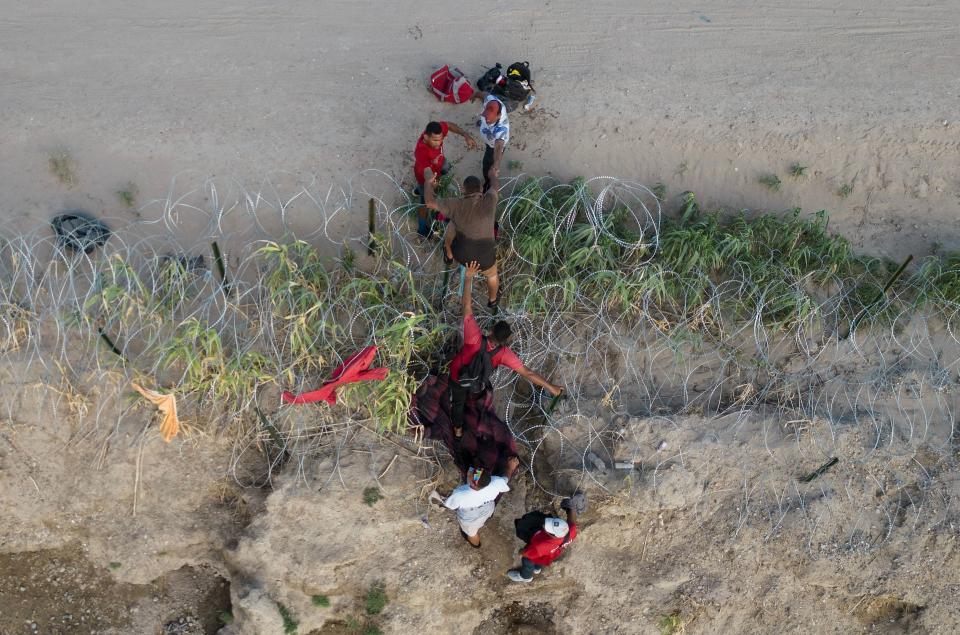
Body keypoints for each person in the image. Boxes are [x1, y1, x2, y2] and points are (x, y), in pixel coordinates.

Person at [449, 261, 563, 439]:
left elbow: (466, 306)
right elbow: (528, 373)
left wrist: (469, 278)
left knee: (457, 403)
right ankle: (474, 420)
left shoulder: (474, 338)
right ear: (505, 341)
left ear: (491, 330)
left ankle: (458, 430)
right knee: (475, 397)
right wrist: (552, 387)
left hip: (457, 375)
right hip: (477, 382)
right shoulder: (504, 354)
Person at [426, 168, 499, 307]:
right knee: (492, 275)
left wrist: (428, 182)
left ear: (463, 191)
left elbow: (429, 202)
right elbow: (495, 186)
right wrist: (493, 175)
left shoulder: (456, 204)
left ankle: (448, 253)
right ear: (482, 189)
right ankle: (492, 300)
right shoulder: (490, 199)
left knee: (453, 221)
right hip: (485, 258)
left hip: (461, 255)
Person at [414, 121, 477, 238]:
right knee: (424, 205)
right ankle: (422, 231)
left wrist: (465, 135)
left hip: (439, 164)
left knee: (446, 166)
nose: (439, 144)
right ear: (426, 137)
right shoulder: (421, 151)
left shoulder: (437, 130)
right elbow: (427, 173)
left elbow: (448, 125)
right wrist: (431, 184)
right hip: (424, 177)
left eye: (441, 139)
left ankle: (419, 190)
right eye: (435, 141)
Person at [441, 457, 520, 547]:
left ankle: (476, 544)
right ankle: (476, 537)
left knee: (472, 533)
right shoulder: (496, 482)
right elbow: (506, 478)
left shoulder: (460, 494)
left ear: (473, 484)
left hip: (470, 519)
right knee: (481, 521)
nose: (471, 471)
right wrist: (511, 468)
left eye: (472, 473)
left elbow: (450, 506)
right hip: (487, 509)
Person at [507, 501, 579, 583]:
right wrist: (572, 506)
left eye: (548, 529)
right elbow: (572, 519)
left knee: (528, 560)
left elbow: (525, 553)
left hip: (542, 551)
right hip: (551, 552)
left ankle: (526, 576)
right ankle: (537, 568)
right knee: (542, 557)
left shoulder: (541, 546)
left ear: (554, 536)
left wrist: (521, 552)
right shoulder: (571, 530)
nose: (544, 526)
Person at [476, 95, 509, 193]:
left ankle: (488, 183)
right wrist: (476, 95)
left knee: (487, 165)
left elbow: (498, 147)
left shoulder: (501, 130)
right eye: (485, 116)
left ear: (498, 116)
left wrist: (495, 166)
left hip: (492, 147)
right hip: (489, 138)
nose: (486, 120)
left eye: (488, 120)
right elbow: (484, 95)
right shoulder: (491, 100)